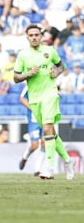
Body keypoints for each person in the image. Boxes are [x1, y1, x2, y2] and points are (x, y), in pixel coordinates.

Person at [14, 24, 75, 180]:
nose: (34, 37)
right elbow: (15, 77)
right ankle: (68, 161)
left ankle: (49, 168)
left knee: (48, 129)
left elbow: (62, 65)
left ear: (41, 37)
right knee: (51, 134)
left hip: (50, 95)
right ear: (27, 38)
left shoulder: (49, 51)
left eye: (36, 35)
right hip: (34, 99)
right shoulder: (23, 55)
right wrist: (28, 74)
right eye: (31, 35)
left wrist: (57, 71)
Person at [19, 85, 46, 176]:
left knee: (44, 143)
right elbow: (22, 99)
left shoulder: (47, 83)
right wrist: (32, 108)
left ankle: (37, 170)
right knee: (34, 145)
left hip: (45, 119)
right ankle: (24, 157)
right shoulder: (29, 85)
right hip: (34, 121)